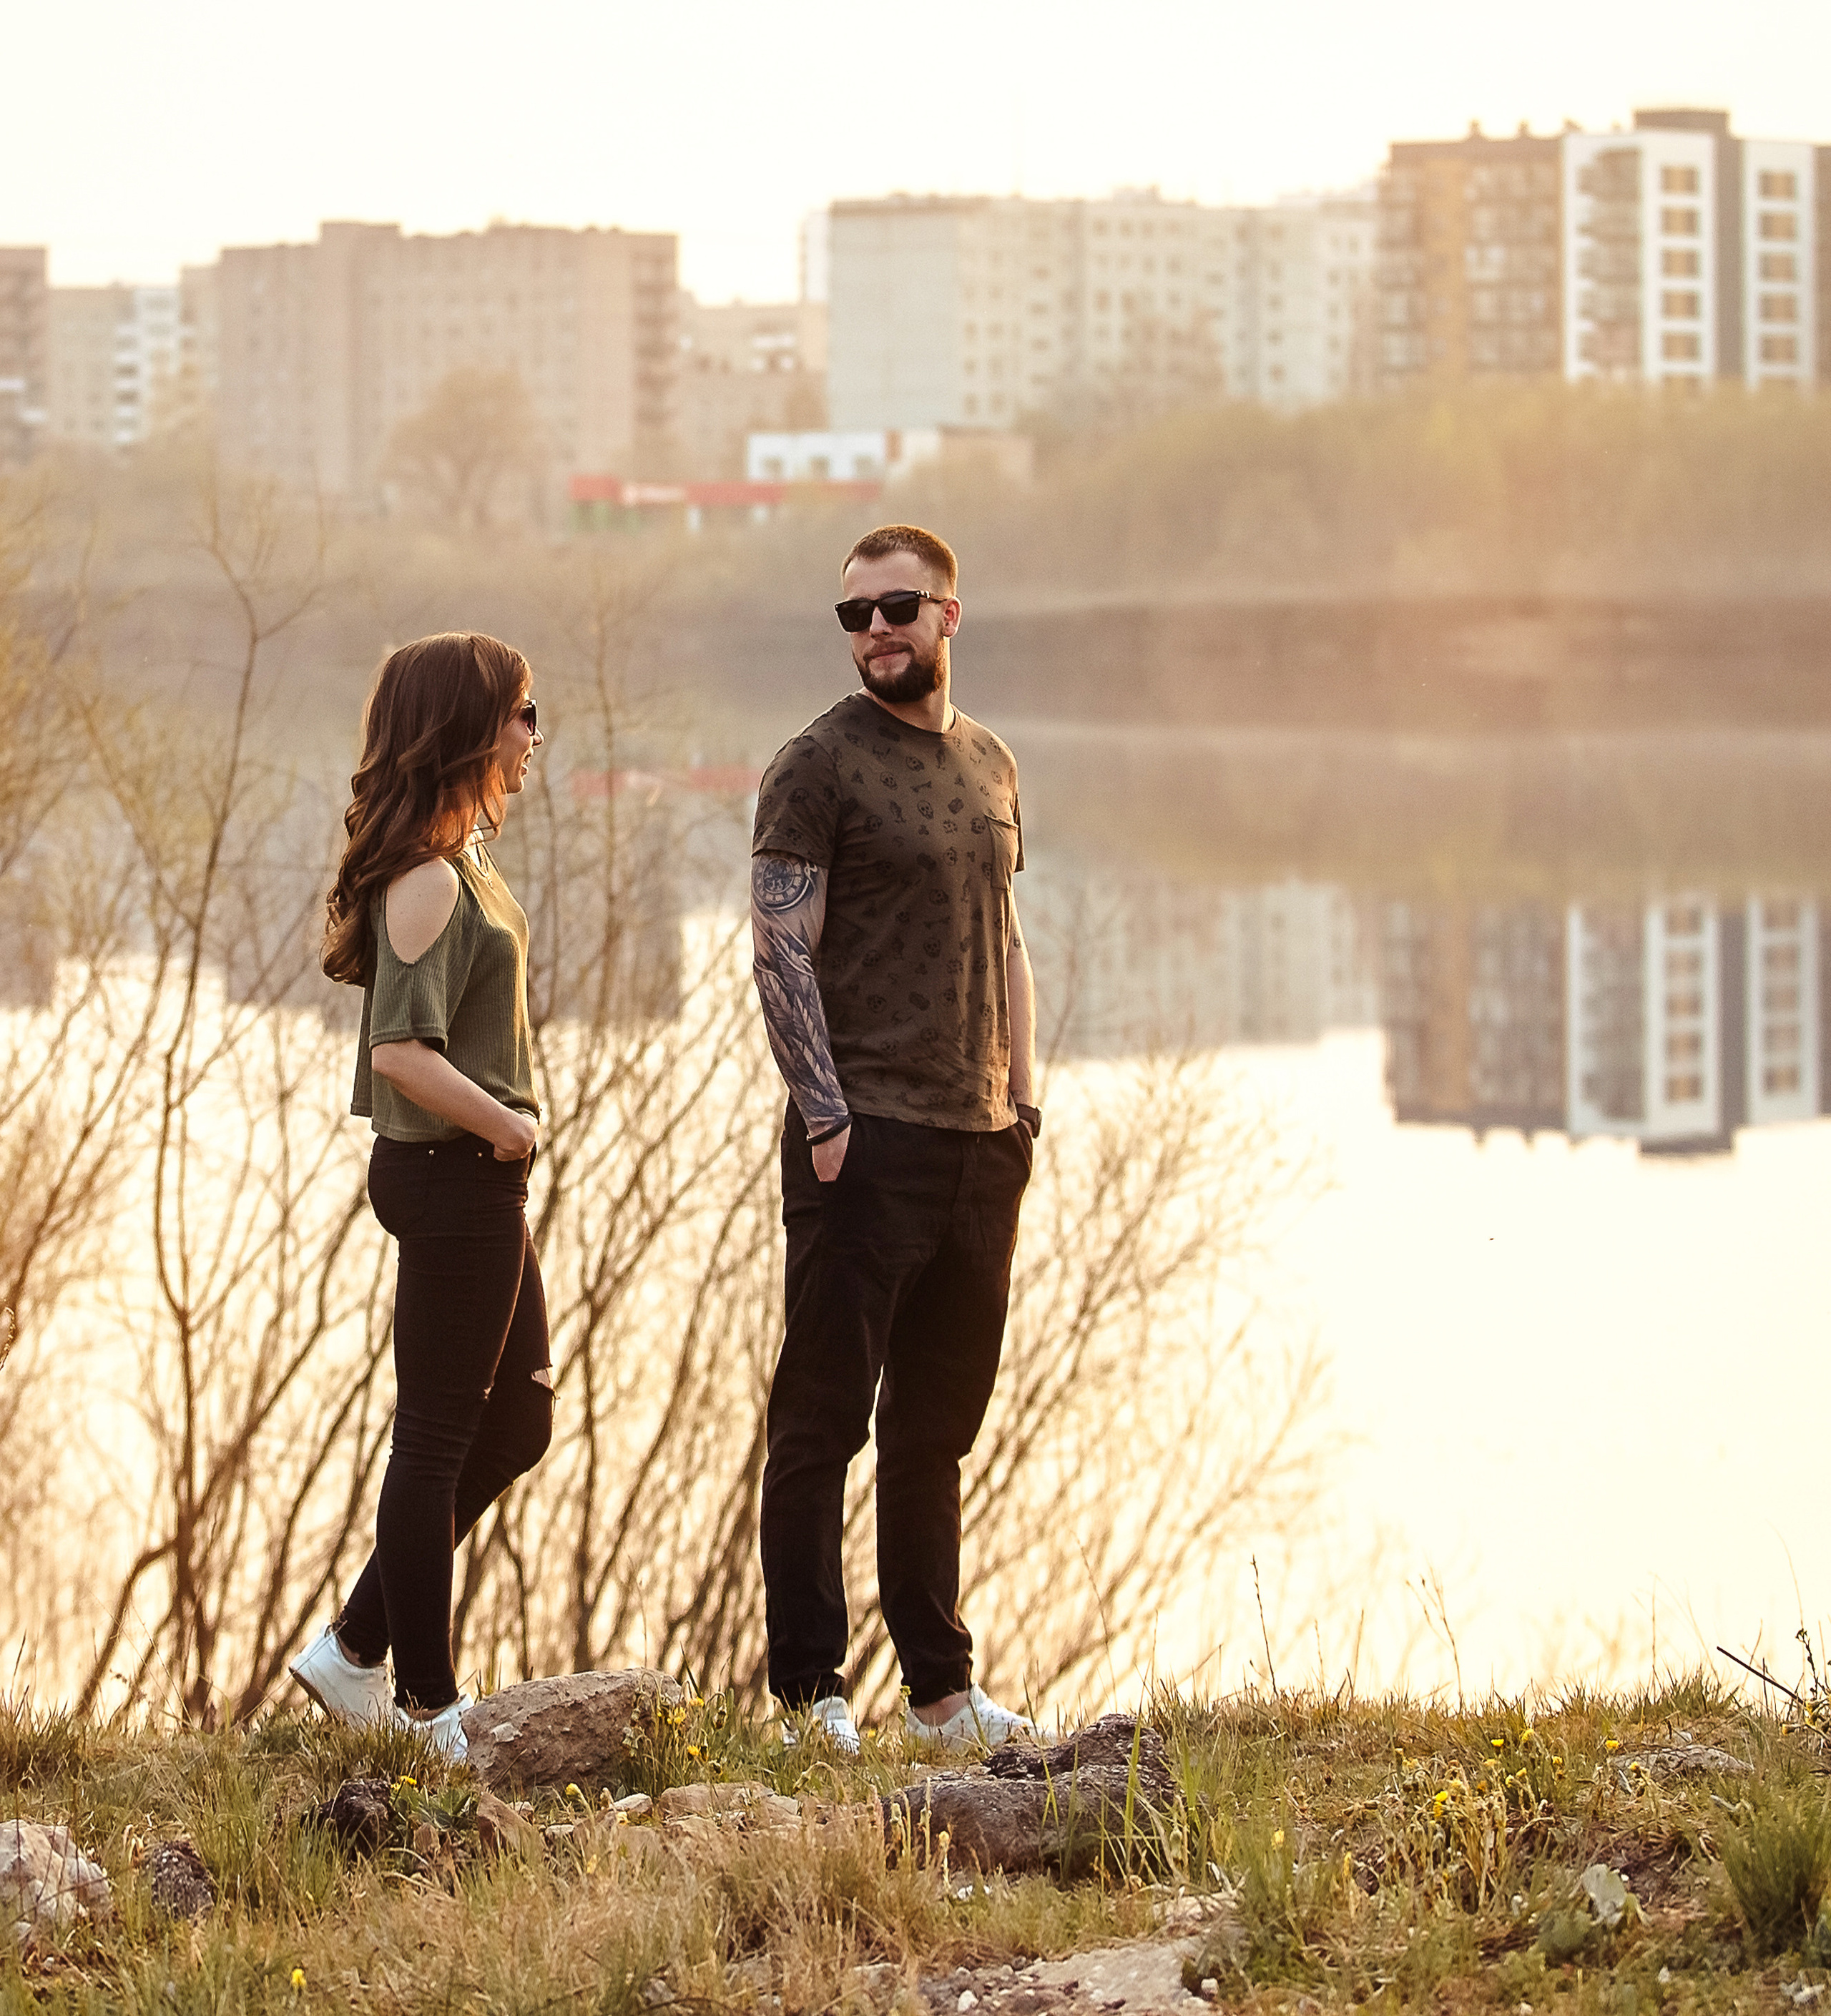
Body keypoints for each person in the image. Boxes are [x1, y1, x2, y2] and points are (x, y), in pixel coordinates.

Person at [750, 523, 1041, 1756]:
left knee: (937, 1429)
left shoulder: (992, 764)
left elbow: (1009, 938)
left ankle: (939, 1693)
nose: (876, 631)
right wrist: (825, 1118)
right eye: (855, 614)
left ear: (948, 617)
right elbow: (778, 950)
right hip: (861, 1143)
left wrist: (1025, 1108)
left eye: (898, 609)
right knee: (822, 1423)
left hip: (981, 1146)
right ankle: (812, 1693)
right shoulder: (816, 766)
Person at [290, 631, 551, 1761]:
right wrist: (505, 1125)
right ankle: (426, 1704)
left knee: (522, 1418)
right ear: (467, 727)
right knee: (438, 1437)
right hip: (453, 1175)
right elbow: (400, 1049)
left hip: (472, 1179)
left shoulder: (464, 856)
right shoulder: (429, 879)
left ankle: (351, 1648)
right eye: (524, 713)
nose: (536, 737)